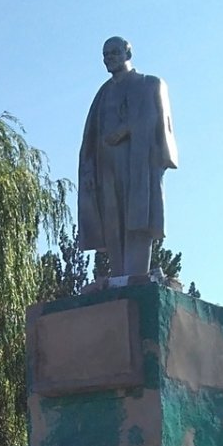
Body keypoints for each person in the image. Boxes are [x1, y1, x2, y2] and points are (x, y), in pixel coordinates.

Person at [78, 36, 178, 278]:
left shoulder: (148, 83)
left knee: (138, 217)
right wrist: (89, 170)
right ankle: (119, 276)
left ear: (127, 53)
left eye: (114, 52)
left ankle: (136, 273)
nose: (109, 58)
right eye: (105, 54)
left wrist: (124, 130)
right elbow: (90, 136)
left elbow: (155, 119)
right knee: (111, 220)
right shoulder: (103, 93)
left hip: (137, 163)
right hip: (106, 165)